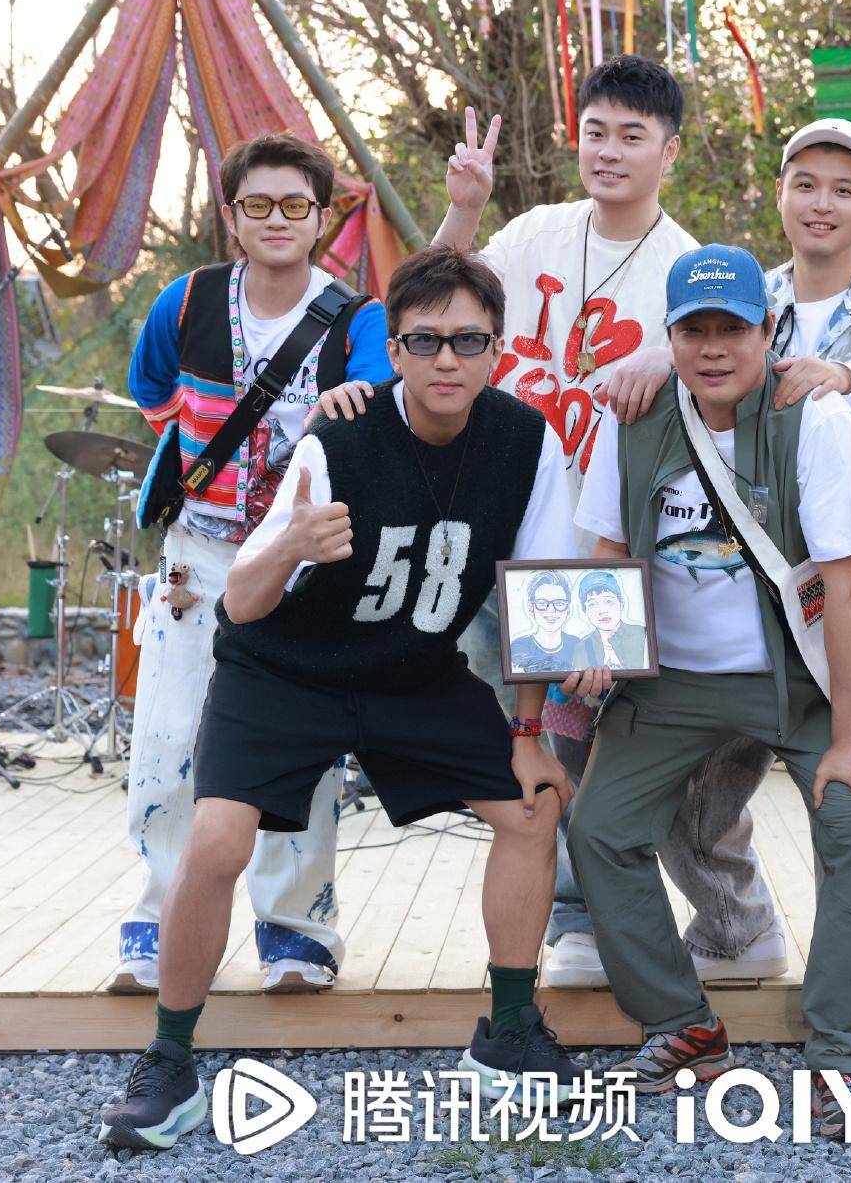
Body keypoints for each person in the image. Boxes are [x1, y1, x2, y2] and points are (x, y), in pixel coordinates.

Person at [98, 244, 608, 1152]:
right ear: (395, 349)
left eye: (468, 340)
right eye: (425, 340)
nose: (447, 358)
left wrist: (529, 730)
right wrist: (292, 543)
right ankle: (169, 1057)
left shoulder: (527, 441)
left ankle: (509, 1030)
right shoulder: (336, 438)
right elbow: (241, 599)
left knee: (533, 807)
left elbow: (542, 596)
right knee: (216, 839)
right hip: (283, 669)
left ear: (497, 349)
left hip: (411, 670)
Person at [318, 57, 780, 990]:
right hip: (502, 528)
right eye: (596, 131)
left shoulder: (684, 267)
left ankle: (717, 918)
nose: (609, 151)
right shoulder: (535, 232)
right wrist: (463, 208)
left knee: (612, 746)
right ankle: (579, 921)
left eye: (632, 136)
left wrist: (668, 360)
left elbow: (728, 370)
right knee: (538, 738)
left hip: (605, 547)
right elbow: (432, 303)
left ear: (669, 152)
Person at [568, 244, 851, 1138]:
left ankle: (845, 1055)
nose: (713, 348)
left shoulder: (812, 417)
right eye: (694, 330)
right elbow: (608, 550)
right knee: (597, 829)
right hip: (671, 679)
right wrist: (597, 648)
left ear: (768, 329)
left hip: (791, 676)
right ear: (670, 336)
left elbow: (848, 583)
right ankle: (683, 1022)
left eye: (733, 328)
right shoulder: (633, 416)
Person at [656, 119, 851, 982]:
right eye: (806, 184)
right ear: (780, 194)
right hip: (754, 598)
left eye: (843, 189)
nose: (822, 203)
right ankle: (737, 925)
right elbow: (690, 369)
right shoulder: (749, 297)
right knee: (694, 793)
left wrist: (842, 379)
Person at [115, 131, 392, 995]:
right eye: (258, 203)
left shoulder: (357, 319)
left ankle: (298, 929)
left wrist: (348, 403)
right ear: (231, 216)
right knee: (168, 738)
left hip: (300, 565)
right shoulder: (186, 301)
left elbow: (382, 398)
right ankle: (157, 920)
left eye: (296, 204)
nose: (277, 219)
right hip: (197, 556)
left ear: (322, 218)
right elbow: (151, 392)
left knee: (301, 749)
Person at [509, 570, 589, 674]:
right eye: (542, 603)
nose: (551, 610)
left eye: (559, 603)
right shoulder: (519, 647)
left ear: (568, 608)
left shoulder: (578, 645)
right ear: (530, 607)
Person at [578, 570, 647, 670]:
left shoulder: (641, 635)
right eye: (592, 604)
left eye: (608, 601)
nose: (602, 610)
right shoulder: (583, 646)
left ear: (621, 603)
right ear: (585, 610)